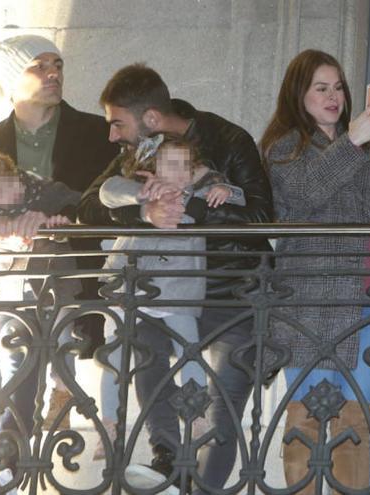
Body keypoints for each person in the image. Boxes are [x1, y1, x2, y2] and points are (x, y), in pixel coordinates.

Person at [77, 64, 273, 492]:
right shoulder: (144, 150)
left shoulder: (229, 139)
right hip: (160, 289)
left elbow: (261, 216)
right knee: (145, 360)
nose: (111, 135)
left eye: (117, 123)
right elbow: (90, 205)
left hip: (228, 294)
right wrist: (145, 213)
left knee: (220, 414)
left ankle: (201, 486)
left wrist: (191, 213)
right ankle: (167, 456)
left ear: (149, 118)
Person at [261, 49, 370, 493]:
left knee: (355, 423)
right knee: (306, 422)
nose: (333, 96)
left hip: (366, 302)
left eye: (338, 87)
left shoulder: (362, 152)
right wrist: (351, 141)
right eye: (320, 88)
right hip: (311, 303)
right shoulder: (284, 146)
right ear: (298, 94)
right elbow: (308, 191)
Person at [0, 34, 119, 432]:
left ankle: (59, 396)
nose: (53, 73)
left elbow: (102, 201)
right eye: (39, 65)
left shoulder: (98, 134)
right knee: (3, 331)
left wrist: (53, 213)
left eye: (58, 64)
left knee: (46, 332)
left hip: (77, 277)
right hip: (10, 282)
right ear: (14, 77)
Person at [94, 134, 245, 459]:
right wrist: (142, 195)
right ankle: (109, 424)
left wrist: (226, 190)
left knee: (190, 353)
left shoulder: (196, 195)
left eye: (184, 166)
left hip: (177, 291)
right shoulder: (140, 192)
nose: (177, 173)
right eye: (169, 165)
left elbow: (241, 201)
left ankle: (196, 414)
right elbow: (107, 191)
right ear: (152, 167)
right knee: (115, 359)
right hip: (128, 288)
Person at [0, 150, 80, 491]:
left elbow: (76, 202)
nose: (10, 192)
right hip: (9, 309)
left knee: (21, 366)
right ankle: (3, 460)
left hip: (48, 300)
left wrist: (52, 219)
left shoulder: (42, 192)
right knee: (16, 370)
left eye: (8, 181)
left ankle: (2, 460)